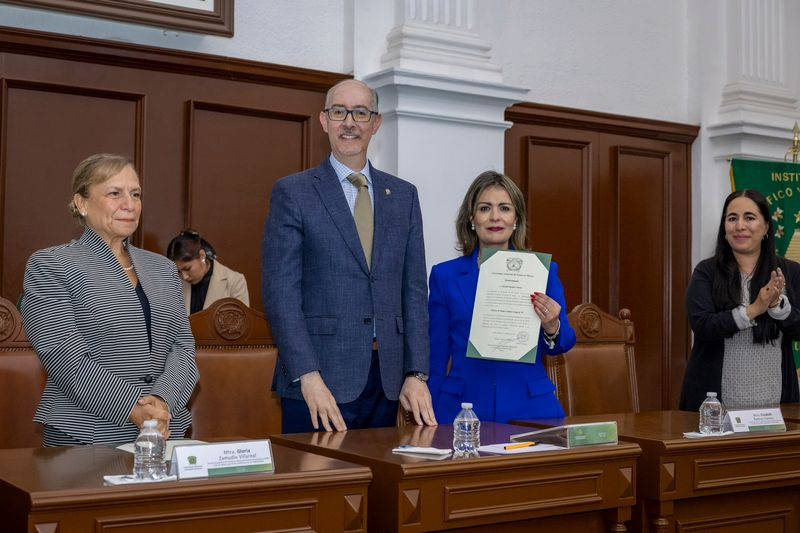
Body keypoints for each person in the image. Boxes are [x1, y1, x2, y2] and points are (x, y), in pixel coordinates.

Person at [262, 79, 436, 432]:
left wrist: (416, 372)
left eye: (360, 112)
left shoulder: (403, 196)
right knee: (319, 485)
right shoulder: (293, 192)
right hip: (318, 383)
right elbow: (281, 295)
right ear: (324, 120)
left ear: (376, 123)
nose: (349, 122)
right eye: (339, 112)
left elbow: (414, 292)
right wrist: (307, 375)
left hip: (388, 383)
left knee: (384, 488)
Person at [20, 153, 199, 446]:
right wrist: (134, 408)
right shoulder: (51, 265)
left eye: (136, 194)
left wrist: (162, 401)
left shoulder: (164, 268)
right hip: (84, 439)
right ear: (81, 203)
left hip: (164, 435)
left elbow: (183, 346)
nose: (129, 204)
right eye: (115, 193)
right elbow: (64, 356)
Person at [427, 171, 577, 423]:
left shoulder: (542, 271)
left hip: (531, 407)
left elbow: (564, 342)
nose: (495, 217)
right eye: (485, 208)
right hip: (462, 409)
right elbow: (436, 355)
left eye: (504, 208)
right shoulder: (445, 276)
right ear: (471, 218)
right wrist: (428, 416)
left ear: (516, 219)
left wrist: (552, 325)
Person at [680, 189, 800, 411]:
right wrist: (753, 309)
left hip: (776, 407)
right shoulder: (707, 272)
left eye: (750, 218)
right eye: (732, 218)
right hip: (715, 407)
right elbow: (703, 326)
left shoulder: (790, 272)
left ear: (765, 227)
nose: (739, 226)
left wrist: (776, 307)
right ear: (724, 229)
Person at [166, 229, 250, 314]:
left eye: (187, 268)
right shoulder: (174, 282)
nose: (184, 277)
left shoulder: (235, 281)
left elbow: (242, 324)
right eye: (179, 271)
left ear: (202, 255)